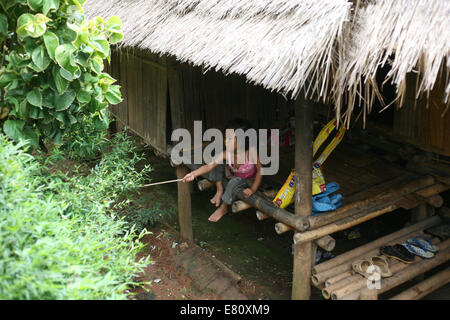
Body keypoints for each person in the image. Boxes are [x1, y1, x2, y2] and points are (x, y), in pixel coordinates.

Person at [183, 118, 262, 222]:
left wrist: (252, 189)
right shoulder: (226, 154)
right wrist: (194, 173)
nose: (225, 141)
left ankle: (223, 207)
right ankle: (219, 189)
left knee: (234, 181)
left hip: (248, 181)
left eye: (229, 138)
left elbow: (261, 171)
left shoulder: (251, 153)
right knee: (216, 161)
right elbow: (209, 166)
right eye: (225, 138)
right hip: (234, 175)